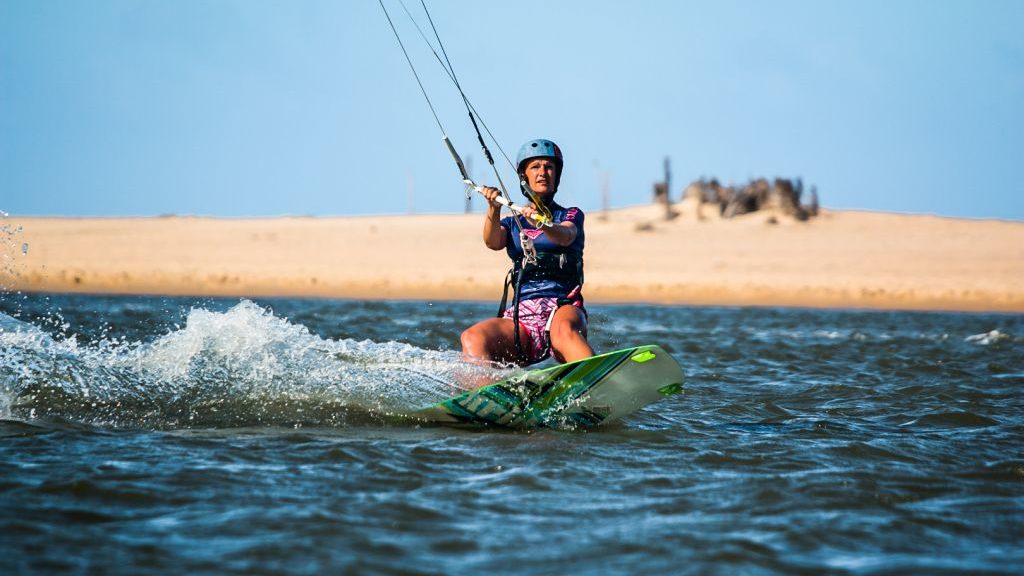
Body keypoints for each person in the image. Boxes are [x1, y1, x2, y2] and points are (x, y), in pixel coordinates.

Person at [460, 139, 595, 368]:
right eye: (535, 167)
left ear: (557, 175)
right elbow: (492, 242)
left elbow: (566, 236)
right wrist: (494, 208)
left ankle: (596, 380)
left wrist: (543, 224)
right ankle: (484, 395)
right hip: (521, 317)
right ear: (524, 176)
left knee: (563, 331)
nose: (543, 173)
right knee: (472, 337)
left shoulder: (570, 215)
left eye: (549, 167)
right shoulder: (514, 223)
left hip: (562, 307)